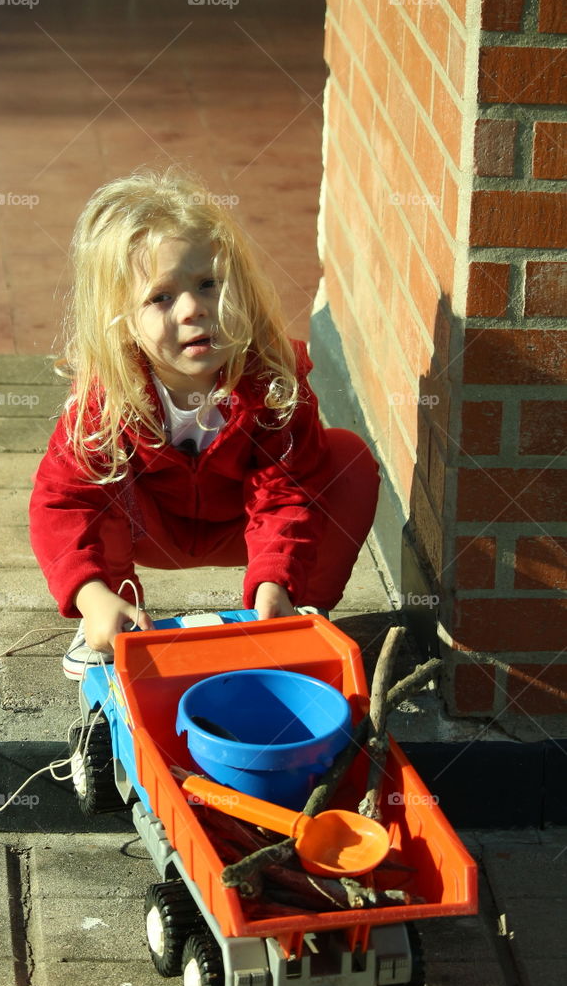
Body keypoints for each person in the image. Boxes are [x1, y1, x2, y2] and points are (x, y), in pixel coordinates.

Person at [29, 167, 380, 678]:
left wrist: (275, 581)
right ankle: (113, 618)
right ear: (121, 318)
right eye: (161, 296)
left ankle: (297, 613)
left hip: (238, 527)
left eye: (208, 284)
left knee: (346, 458)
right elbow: (62, 502)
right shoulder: (106, 399)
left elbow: (288, 492)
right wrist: (90, 593)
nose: (194, 309)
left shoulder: (273, 383)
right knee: (89, 485)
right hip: (148, 529)